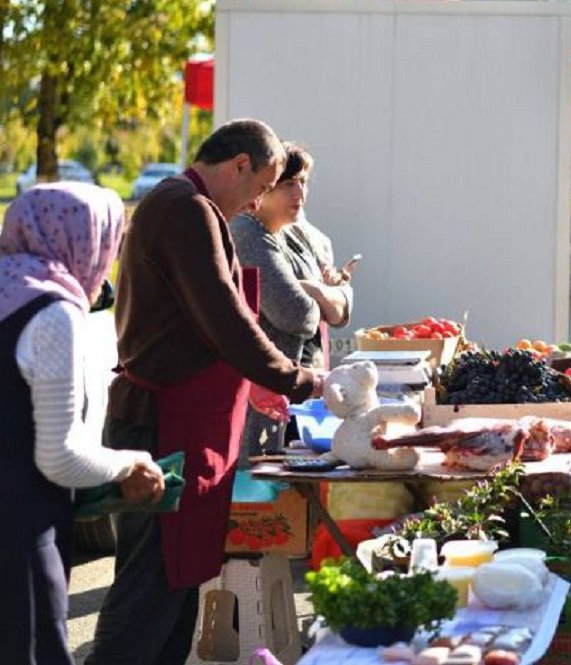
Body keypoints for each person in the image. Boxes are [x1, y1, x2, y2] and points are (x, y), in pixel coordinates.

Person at [87, 119, 326, 665]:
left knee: (175, 592)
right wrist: (300, 379)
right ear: (239, 165)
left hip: (183, 423)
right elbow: (225, 318)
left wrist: (261, 379)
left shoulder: (186, 205)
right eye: (260, 186)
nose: (256, 202)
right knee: (148, 591)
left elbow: (216, 322)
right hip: (162, 426)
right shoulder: (186, 209)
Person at [0, 183, 165, 664]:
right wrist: (130, 464)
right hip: (19, 536)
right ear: (85, 243)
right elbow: (59, 457)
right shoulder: (52, 314)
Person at [231, 143, 352, 459]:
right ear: (263, 188)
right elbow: (295, 314)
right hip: (266, 398)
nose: (299, 193)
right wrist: (323, 297)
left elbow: (342, 309)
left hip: (304, 394)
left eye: (303, 182)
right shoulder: (247, 232)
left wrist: (312, 289)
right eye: (287, 184)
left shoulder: (294, 232)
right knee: (260, 477)